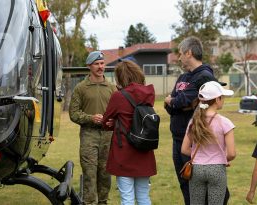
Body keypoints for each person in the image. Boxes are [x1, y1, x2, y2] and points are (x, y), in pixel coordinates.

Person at [164, 36, 228, 205]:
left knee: (204, 188)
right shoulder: (182, 78)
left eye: (180, 54)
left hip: (196, 141)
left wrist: (175, 101)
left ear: (189, 53)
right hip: (178, 140)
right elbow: (172, 106)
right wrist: (174, 102)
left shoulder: (204, 76)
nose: (179, 58)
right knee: (184, 182)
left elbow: (181, 101)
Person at [102, 60, 156, 205]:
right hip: (144, 150)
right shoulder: (149, 94)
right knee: (144, 197)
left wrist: (116, 123)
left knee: (127, 198)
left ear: (120, 77)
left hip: (124, 153)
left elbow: (105, 122)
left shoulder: (118, 96)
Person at [69, 51, 116, 205]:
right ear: (89, 66)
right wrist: (90, 118)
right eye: (96, 64)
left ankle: (103, 202)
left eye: (102, 63)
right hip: (89, 135)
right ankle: (89, 203)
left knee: (105, 173)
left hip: (108, 136)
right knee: (89, 172)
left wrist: (113, 121)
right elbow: (73, 113)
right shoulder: (81, 88)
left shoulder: (112, 88)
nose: (100, 67)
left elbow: (118, 112)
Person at [181, 81, 236, 204]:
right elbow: (232, 154)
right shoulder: (225, 122)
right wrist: (221, 157)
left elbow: (184, 149)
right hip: (217, 170)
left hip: (197, 169)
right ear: (217, 99)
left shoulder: (193, 122)